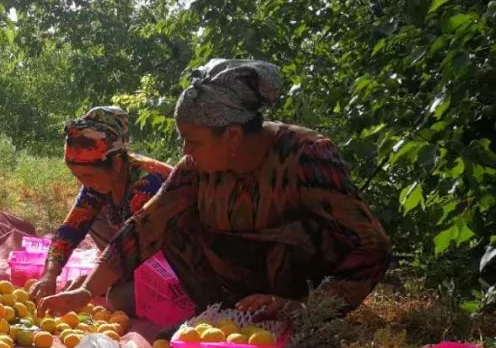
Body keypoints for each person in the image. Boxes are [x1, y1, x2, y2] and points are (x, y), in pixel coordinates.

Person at [38, 59, 391, 321]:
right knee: (172, 220)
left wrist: (305, 307)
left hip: (297, 290)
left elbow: (371, 245)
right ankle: (217, 316)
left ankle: (289, 323)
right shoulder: (196, 170)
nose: (185, 152)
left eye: (194, 141)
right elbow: (147, 225)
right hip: (235, 288)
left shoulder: (306, 156)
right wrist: (88, 289)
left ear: (233, 136)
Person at [28, 105, 172, 308]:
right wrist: (49, 274)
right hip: (133, 252)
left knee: (118, 299)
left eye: (88, 176)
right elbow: (70, 230)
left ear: (116, 164)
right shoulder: (100, 183)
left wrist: (89, 288)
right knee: (88, 213)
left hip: (175, 260)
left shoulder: (148, 184)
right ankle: (112, 277)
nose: (85, 184)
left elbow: (131, 244)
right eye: (77, 177)